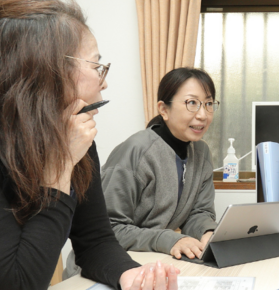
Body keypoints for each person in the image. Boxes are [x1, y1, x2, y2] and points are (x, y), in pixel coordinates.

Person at [0, 0, 180, 290]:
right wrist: (60, 168)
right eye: (96, 65)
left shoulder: (70, 134)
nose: (104, 80)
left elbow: (95, 241)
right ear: (45, 72)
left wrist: (129, 274)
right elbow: (19, 283)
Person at [65, 68, 219, 276]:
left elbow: (199, 212)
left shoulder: (202, 153)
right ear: (163, 109)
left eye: (208, 104)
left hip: (149, 264)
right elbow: (107, 229)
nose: (202, 114)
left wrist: (207, 232)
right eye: (192, 103)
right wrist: (169, 239)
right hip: (99, 270)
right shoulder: (135, 151)